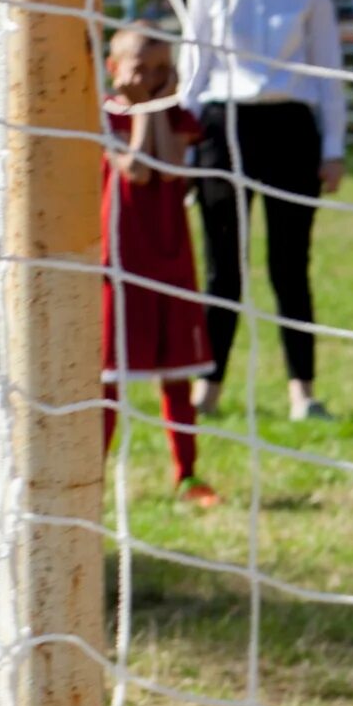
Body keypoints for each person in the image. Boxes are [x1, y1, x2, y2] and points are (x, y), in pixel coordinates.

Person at [179, 0, 346, 424]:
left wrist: (333, 147)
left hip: (290, 132)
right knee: (222, 269)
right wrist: (180, 145)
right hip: (223, 133)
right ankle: (210, 386)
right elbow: (194, 71)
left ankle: (303, 390)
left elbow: (327, 74)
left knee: (289, 266)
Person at [100, 28, 220, 509]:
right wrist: (142, 112)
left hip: (171, 253)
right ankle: (91, 474)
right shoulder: (102, 115)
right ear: (114, 69)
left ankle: (187, 475)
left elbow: (170, 168)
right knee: (108, 373)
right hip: (120, 256)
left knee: (177, 370)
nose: (149, 79)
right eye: (139, 68)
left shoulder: (177, 117)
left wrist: (155, 109)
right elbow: (138, 170)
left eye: (160, 69)